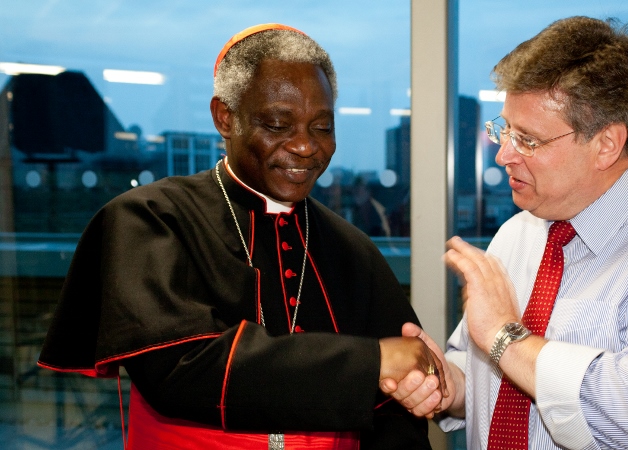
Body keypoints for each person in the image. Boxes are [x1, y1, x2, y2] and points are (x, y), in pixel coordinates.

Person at [38, 23, 444, 449]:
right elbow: (181, 368)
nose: (305, 146)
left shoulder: (353, 250)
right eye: (277, 123)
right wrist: (374, 361)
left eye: (322, 127)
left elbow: (397, 416)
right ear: (225, 118)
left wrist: (412, 384)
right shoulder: (152, 219)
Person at [382, 16, 628, 449]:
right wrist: (448, 386)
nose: (503, 153)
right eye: (504, 129)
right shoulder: (517, 234)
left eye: (527, 139)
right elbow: (494, 380)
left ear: (606, 144)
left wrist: (507, 337)